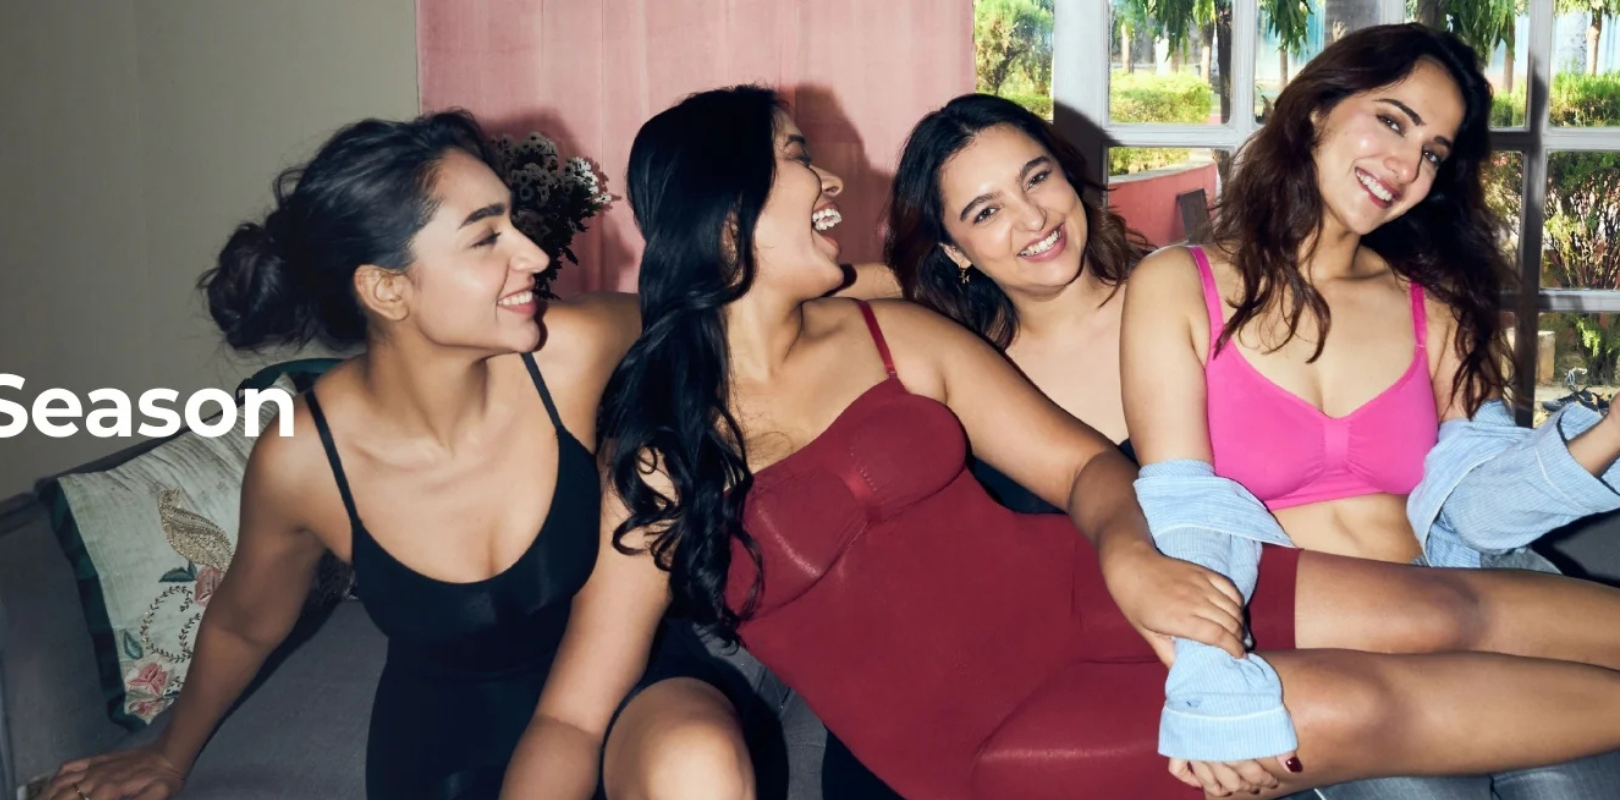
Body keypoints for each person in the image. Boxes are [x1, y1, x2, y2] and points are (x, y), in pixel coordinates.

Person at [504, 82, 1620, 800]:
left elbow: (1086, 465)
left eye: (1037, 179)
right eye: (800, 156)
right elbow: (571, 709)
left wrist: (1132, 558)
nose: (832, 177)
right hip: (988, 730)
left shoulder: (895, 334)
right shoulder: (659, 449)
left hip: (1099, 587)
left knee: (1434, 609)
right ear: (729, 207)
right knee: (1361, 709)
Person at [885, 86, 1620, 798]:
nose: (1033, 216)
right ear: (953, 247)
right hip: (1207, 653)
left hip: (1374, 598)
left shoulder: (1192, 290)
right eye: (986, 210)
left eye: (1037, 177)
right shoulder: (964, 383)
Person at [45, 110, 751, 800]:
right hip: (448, 745)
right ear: (386, 289)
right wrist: (167, 758)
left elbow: (733, 324)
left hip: (624, 687)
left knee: (698, 769)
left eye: (513, 222)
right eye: (486, 238)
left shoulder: (574, 351)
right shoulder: (305, 461)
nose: (535, 256)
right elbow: (244, 622)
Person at [1117, 24, 1620, 797]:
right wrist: (1209, 679)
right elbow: (1186, 507)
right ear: (1319, 108)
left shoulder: (1433, 305)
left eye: (1433, 153)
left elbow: (1480, 511)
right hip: (1325, 631)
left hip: (1469, 590)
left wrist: (1615, 428)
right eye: (1392, 120)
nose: (1407, 166)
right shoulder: (1178, 285)